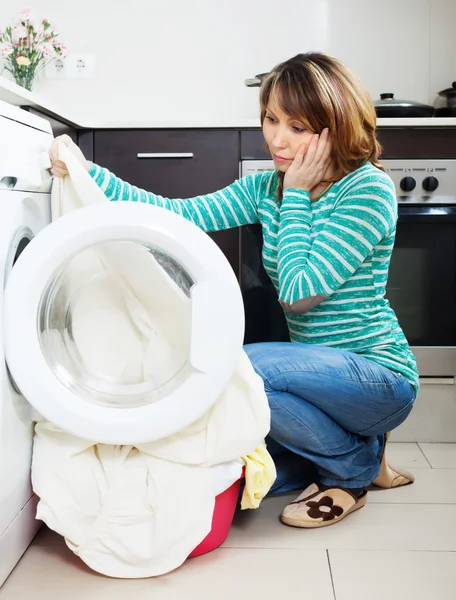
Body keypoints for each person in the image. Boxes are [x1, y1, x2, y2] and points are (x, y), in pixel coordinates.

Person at [49, 52, 419, 529]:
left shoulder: (367, 190)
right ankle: (358, 454)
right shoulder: (267, 187)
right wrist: (87, 173)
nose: (278, 140)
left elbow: (299, 292)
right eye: (270, 119)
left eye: (298, 127)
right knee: (244, 454)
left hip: (379, 377)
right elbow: (177, 216)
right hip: (313, 379)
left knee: (236, 368)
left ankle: (354, 471)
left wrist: (299, 197)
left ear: (334, 128)